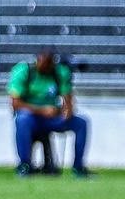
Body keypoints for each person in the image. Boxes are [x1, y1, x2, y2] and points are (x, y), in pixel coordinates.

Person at [7, 47, 92, 178]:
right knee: (22, 119)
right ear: (37, 60)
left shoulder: (59, 73)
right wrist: (41, 110)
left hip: (52, 119)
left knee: (81, 122)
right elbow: (15, 103)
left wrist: (65, 111)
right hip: (31, 118)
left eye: (48, 63)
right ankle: (24, 165)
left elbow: (68, 102)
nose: (45, 66)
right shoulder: (24, 70)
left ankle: (78, 167)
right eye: (42, 62)